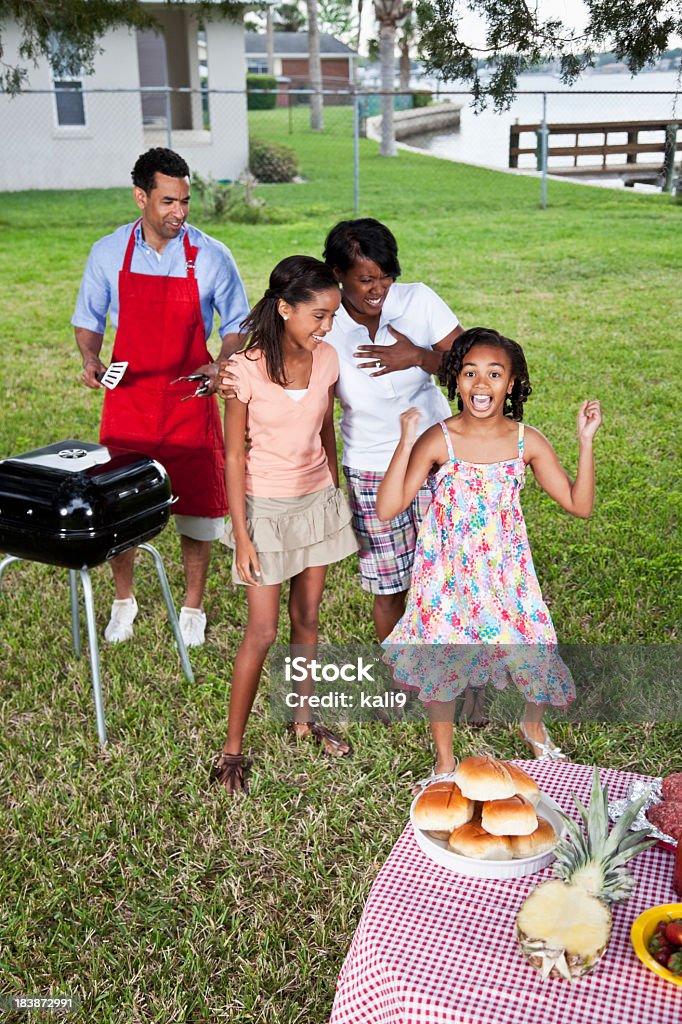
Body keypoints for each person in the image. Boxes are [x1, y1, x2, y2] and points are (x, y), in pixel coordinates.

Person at [376, 326, 602, 773]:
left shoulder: (527, 441)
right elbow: (389, 507)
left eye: (494, 374)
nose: (481, 385)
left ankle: (532, 728)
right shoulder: (438, 439)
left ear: (512, 383)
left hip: (507, 571)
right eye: (470, 373)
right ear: (456, 381)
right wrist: (404, 442)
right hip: (446, 574)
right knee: (442, 657)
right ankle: (444, 761)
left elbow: (580, 505)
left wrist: (586, 441)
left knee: (535, 644)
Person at [72, 147, 249, 648]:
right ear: (141, 197)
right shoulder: (108, 252)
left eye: (186, 201)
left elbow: (236, 323)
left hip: (189, 400)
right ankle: (123, 601)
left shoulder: (212, 255)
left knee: (196, 508)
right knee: (119, 504)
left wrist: (220, 363)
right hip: (128, 401)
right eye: (169, 200)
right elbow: (89, 321)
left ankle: (192, 607)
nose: (180, 212)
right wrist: (90, 359)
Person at [213, 256, 359, 795]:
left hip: (315, 500)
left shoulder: (327, 360)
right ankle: (232, 750)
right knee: (263, 630)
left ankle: (302, 720)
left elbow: (325, 428)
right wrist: (243, 535)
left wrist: (333, 492)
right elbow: (231, 456)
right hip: (266, 508)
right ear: (284, 308)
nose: (327, 327)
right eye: (318, 315)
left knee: (308, 616)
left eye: (332, 316)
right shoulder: (243, 370)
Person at [321, 218, 464, 642]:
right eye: (365, 279)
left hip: (434, 459)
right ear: (337, 275)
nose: (378, 289)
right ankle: (401, 675)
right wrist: (331, 483)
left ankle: (459, 675)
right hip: (368, 468)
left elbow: (473, 366)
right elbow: (318, 414)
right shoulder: (324, 324)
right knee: (389, 586)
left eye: (386, 278)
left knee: (448, 575)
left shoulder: (417, 301)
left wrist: (419, 357)